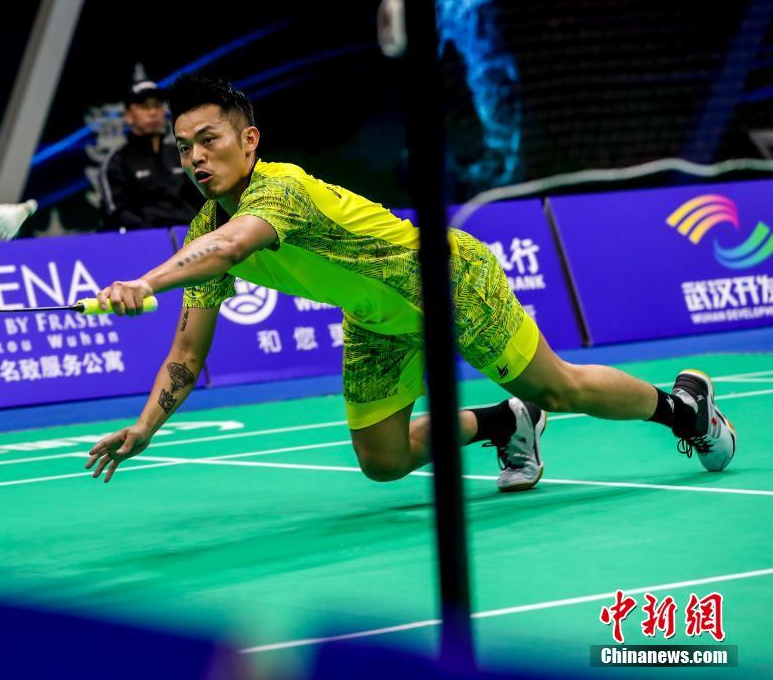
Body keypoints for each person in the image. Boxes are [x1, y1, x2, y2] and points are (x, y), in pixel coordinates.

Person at [85, 75, 737, 487]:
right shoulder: (200, 232)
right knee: (383, 462)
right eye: (185, 148)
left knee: (557, 388)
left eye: (209, 140)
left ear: (249, 140)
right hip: (378, 320)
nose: (196, 157)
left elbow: (232, 245)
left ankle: (685, 408)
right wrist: (145, 428)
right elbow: (187, 351)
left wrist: (143, 282)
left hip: (446, 280)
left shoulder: (280, 188)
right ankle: (504, 423)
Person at [99, 80, 201, 230]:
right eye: (144, 106)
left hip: (190, 234)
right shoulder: (116, 161)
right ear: (128, 115)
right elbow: (115, 211)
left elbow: (202, 199)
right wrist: (152, 235)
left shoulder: (180, 153)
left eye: (157, 106)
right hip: (143, 238)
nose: (153, 112)